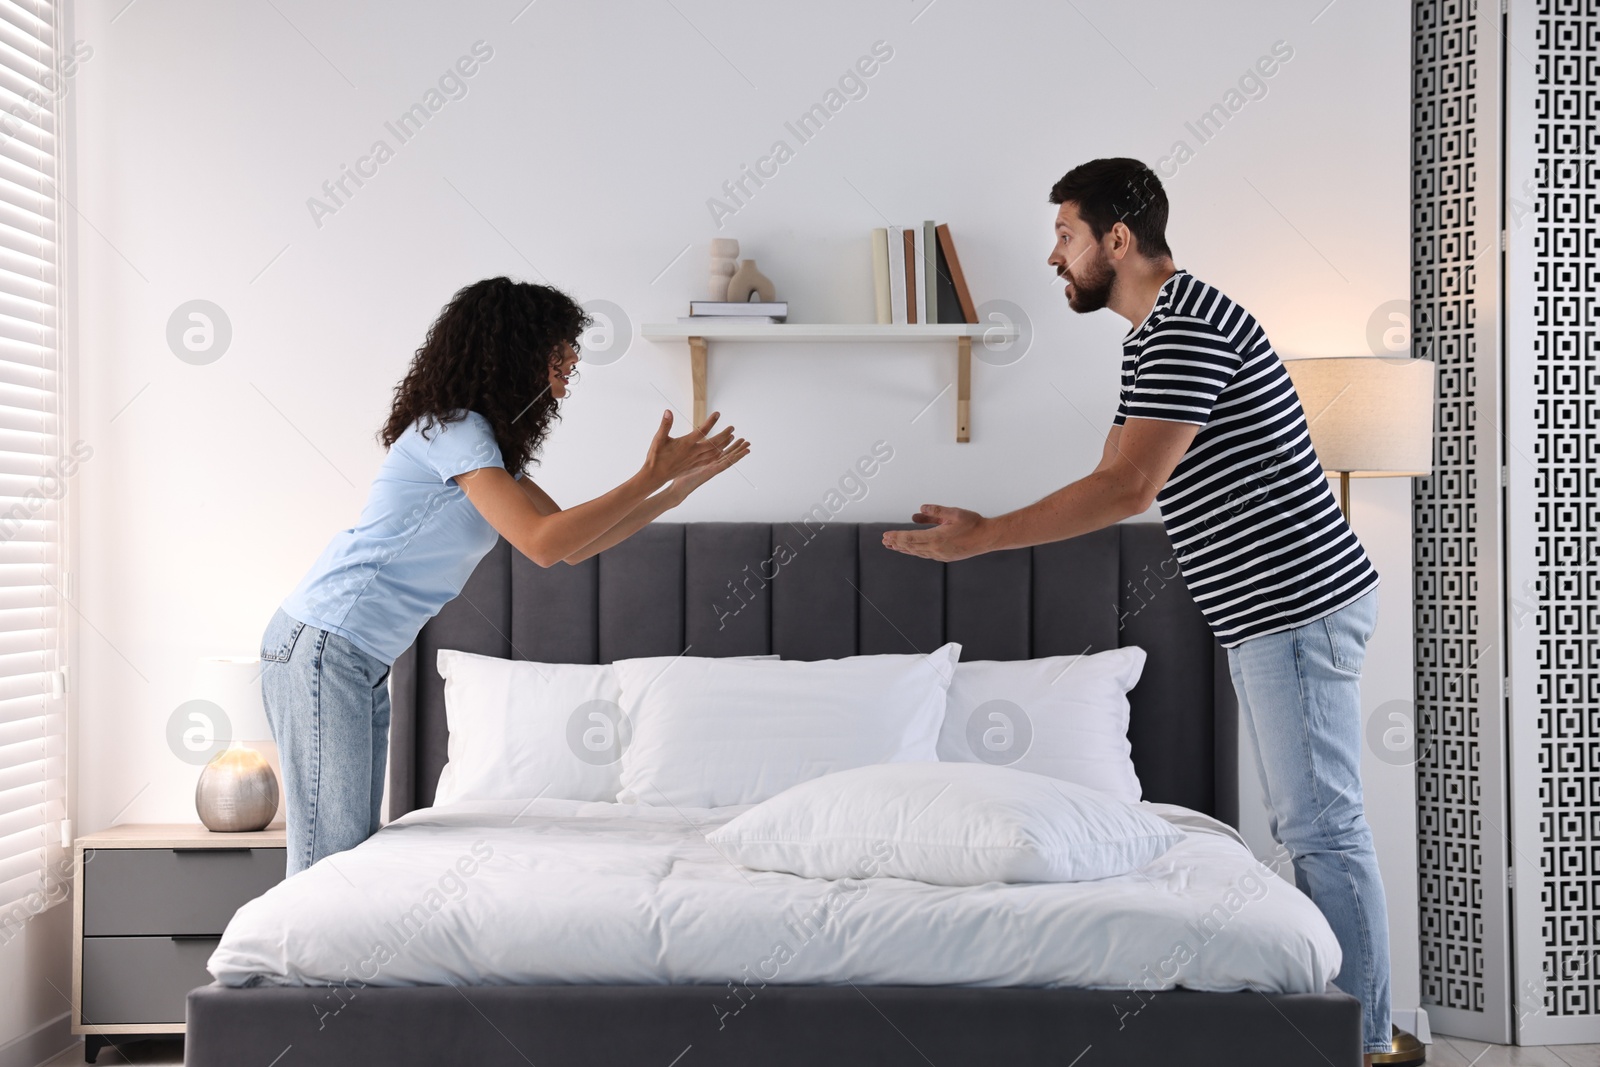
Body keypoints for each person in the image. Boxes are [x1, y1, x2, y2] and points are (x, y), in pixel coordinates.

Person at [882, 158, 1417, 1066]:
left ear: (1116, 240)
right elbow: (1107, 477)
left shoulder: (1184, 329)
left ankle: (1363, 1045)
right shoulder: (1154, 337)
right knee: (1316, 824)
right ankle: (1359, 1034)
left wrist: (983, 541)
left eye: (1065, 234)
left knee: (1322, 827)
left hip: (1294, 605)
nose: (1054, 256)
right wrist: (992, 531)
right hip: (1274, 613)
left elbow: (1130, 489)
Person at [260, 277, 749, 876]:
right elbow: (542, 545)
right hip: (324, 644)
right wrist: (648, 477)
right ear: (516, 353)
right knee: (326, 860)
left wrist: (672, 490)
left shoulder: (483, 449)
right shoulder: (455, 429)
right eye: (559, 354)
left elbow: (573, 543)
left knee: (347, 857)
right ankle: (288, 971)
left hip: (353, 656)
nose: (569, 371)